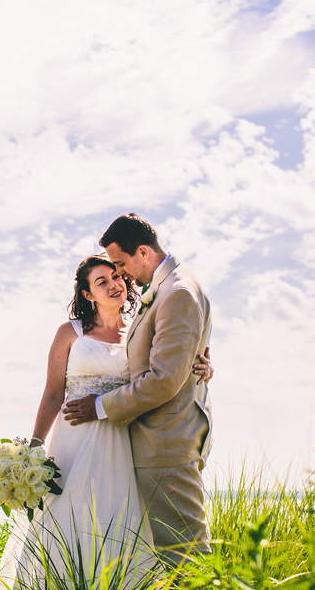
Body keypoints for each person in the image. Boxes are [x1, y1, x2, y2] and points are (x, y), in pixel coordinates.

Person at [0, 253, 213, 590]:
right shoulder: (69, 333)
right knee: (68, 516)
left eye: (116, 276)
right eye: (102, 282)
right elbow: (53, 394)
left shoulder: (142, 327)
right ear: (87, 294)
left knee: (122, 517)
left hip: (126, 437)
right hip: (74, 441)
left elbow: (170, 365)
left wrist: (202, 366)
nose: (114, 285)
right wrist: (34, 449)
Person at [63, 213, 214, 566]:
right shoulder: (169, 288)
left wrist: (98, 406)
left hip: (167, 441)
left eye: (120, 264)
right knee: (169, 549)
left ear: (143, 252)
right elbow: (170, 356)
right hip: (151, 439)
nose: (121, 275)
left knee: (184, 552)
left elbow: (163, 379)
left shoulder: (177, 292)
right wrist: (201, 367)